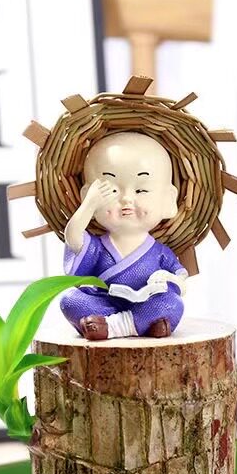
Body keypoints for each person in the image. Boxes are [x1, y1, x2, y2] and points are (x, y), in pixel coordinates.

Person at [59, 131, 187, 340]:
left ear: (168, 200)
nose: (126, 199)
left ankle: (112, 327)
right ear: (87, 194)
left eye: (141, 190)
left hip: (146, 302)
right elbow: (73, 238)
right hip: (103, 303)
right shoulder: (98, 247)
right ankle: (139, 324)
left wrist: (167, 280)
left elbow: (180, 280)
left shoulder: (160, 253)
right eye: (112, 191)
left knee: (171, 303)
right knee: (70, 300)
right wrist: (89, 205)